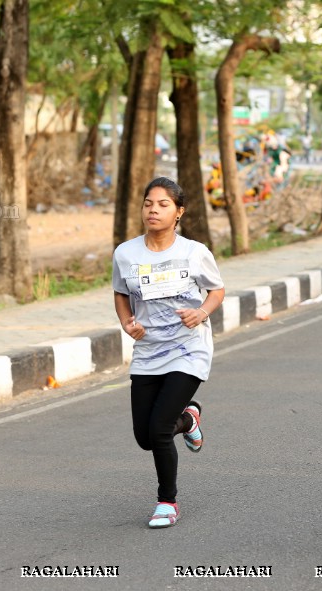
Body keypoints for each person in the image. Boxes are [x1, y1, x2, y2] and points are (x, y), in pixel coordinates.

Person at [112, 177, 226, 528]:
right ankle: (189, 418)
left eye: (163, 204)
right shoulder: (126, 253)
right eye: (148, 203)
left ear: (179, 212)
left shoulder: (194, 252)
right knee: (144, 438)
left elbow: (217, 290)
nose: (153, 210)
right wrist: (127, 323)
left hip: (187, 348)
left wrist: (201, 312)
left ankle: (167, 502)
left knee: (160, 429)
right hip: (148, 349)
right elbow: (119, 293)